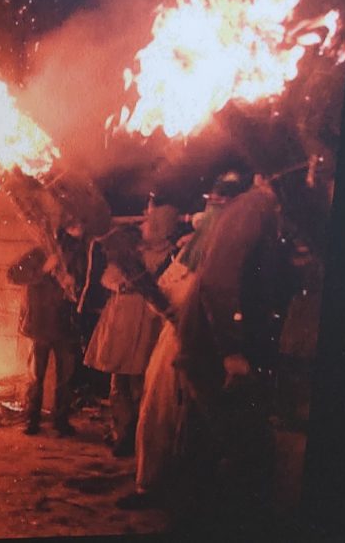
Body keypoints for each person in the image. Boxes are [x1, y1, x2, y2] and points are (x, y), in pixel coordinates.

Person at [118, 172, 245, 510]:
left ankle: (189, 492)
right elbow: (166, 296)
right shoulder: (190, 248)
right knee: (156, 412)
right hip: (172, 341)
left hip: (203, 346)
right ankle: (151, 485)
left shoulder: (227, 250)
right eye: (211, 202)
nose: (212, 209)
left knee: (194, 422)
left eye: (220, 203)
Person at [172, 174, 291, 520]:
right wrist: (232, 350)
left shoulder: (259, 210)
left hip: (212, 349)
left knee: (203, 451)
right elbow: (218, 282)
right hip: (215, 354)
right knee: (249, 452)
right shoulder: (254, 208)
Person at [83, 200, 175, 458]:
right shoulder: (131, 251)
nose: (144, 225)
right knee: (118, 382)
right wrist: (120, 284)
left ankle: (137, 436)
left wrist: (135, 284)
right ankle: (122, 432)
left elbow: (163, 287)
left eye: (149, 221)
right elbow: (108, 277)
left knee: (139, 382)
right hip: (120, 319)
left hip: (144, 320)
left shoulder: (169, 256)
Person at [8, 220, 88, 438]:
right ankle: (31, 420)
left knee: (66, 378)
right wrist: (44, 269)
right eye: (74, 228)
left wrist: (74, 282)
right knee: (36, 377)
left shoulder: (81, 256)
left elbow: (86, 285)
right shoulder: (40, 253)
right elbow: (13, 274)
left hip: (66, 327)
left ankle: (60, 421)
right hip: (41, 325)